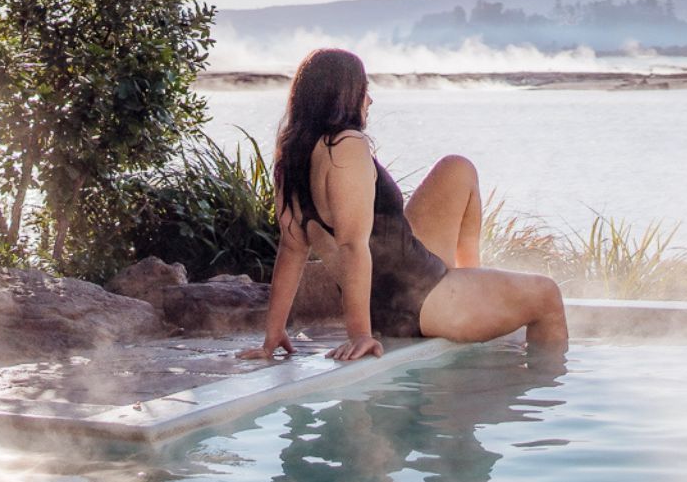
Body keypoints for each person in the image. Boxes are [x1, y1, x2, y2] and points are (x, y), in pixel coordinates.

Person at [240, 49, 568, 362]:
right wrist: (360, 334)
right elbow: (352, 246)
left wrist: (273, 333)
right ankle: (546, 374)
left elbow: (292, 249)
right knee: (548, 295)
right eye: (364, 90)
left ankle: (474, 282)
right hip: (417, 302)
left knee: (457, 169)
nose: (369, 100)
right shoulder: (346, 145)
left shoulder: (293, 156)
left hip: (402, 285)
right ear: (343, 95)